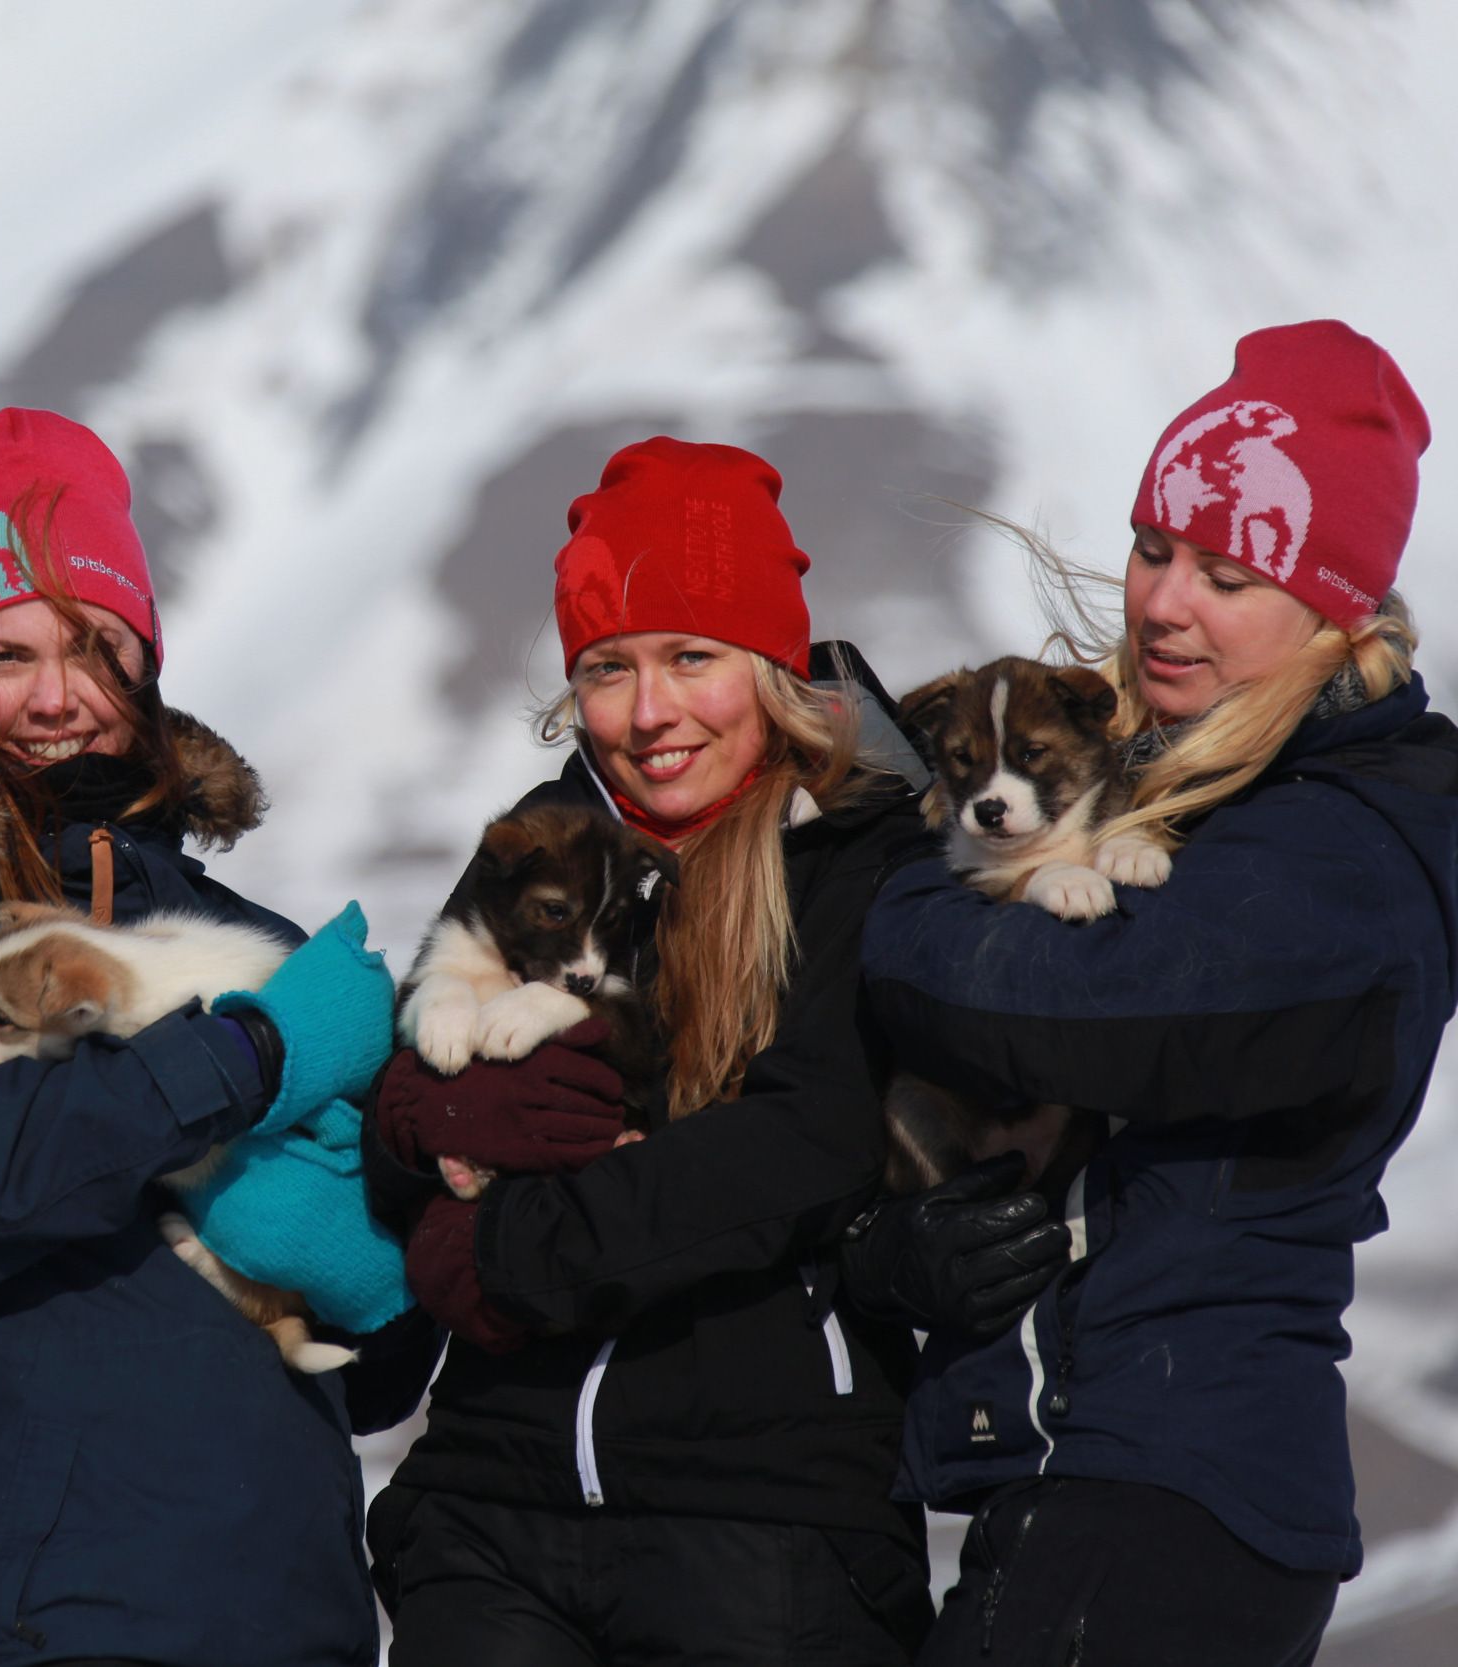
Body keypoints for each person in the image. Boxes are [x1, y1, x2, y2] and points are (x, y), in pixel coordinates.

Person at [852, 321, 1458, 1666]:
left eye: (1226, 571)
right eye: (1154, 549)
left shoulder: (1338, 850)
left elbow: (1067, 1007)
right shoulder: (1198, 794)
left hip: (1173, 1494)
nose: (1162, 602)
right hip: (1108, 1472)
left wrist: (900, 869)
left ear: (1336, 611)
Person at [361, 437, 1068, 1667]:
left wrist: (517, 1245)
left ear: (768, 665)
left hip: (765, 1524)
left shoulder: (874, 860)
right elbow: (409, 1108)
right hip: (489, 1503)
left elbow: (798, 1143)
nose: (649, 713)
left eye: (691, 657)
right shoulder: (540, 849)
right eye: (606, 668)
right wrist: (432, 1122)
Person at [0, 407, 435, 1667]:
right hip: (40, 1609)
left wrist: (385, 1235)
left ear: (146, 657)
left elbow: (383, 1368)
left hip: (299, 1612)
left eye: (93, 644)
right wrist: (241, 1063)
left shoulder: (258, 935)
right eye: (5, 653)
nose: (55, 696)